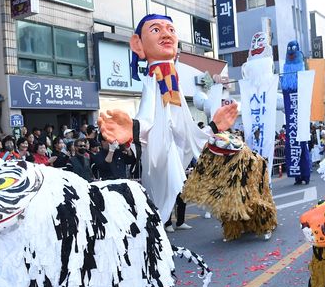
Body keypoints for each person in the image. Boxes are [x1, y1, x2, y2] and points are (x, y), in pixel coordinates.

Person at [98, 14, 238, 222]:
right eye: (156, 30)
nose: (166, 34)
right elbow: (150, 120)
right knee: (156, 203)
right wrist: (133, 131)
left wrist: (213, 127)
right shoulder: (153, 81)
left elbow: (184, 129)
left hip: (172, 153)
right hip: (159, 157)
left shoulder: (175, 83)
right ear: (138, 44)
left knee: (167, 198)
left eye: (171, 30)